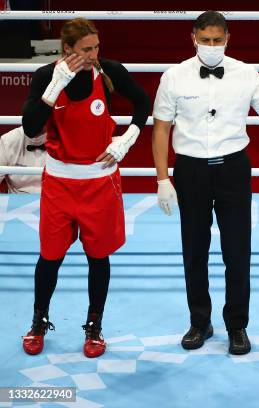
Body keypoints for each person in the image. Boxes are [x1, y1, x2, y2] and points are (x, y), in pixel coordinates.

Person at [152, 11, 259, 355]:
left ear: (228, 39)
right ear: (193, 39)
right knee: (194, 251)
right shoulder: (173, 77)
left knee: (237, 252)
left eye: (218, 40)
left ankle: (237, 325)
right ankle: (199, 321)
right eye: (206, 41)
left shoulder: (246, 74)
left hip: (233, 168)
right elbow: (161, 128)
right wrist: (162, 178)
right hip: (191, 170)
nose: (212, 46)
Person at [20, 18, 149, 358]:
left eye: (96, 47)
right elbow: (31, 127)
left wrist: (127, 140)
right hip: (60, 184)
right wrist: (53, 88)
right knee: (50, 257)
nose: (94, 54)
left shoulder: (108, 73)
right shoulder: (46, 76)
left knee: (98, 257)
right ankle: (38, 321)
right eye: (86, 49)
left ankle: (94, 326)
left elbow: (143, 102)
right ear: (67, 50)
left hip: (99, 182)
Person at [0, 126, 46, 193]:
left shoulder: (63, 140)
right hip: (16, 198)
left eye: (40, 132)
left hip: (53, 198)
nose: (36, 137)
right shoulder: (7, 141)